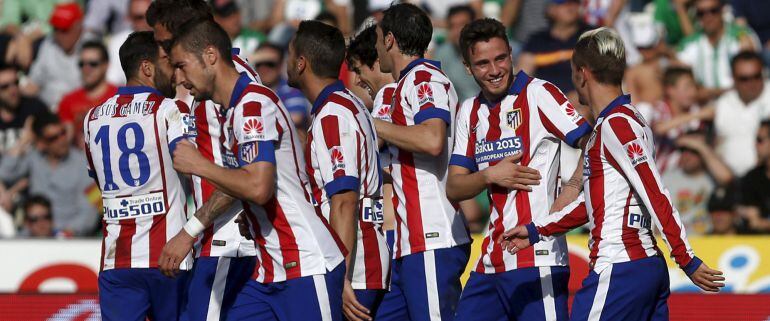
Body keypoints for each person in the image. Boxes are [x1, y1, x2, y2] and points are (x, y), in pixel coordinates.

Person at [501, 27, 725, 320]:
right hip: (644, 267)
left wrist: (687, 260)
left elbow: (654, 191)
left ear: (582, 73)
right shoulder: (628, 121)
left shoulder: (616, 125)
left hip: (620, 267)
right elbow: (601, 202)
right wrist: (537, 230)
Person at [167, 19, 345, 321]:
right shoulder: (233, 110)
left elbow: (258, 187)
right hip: (268, 269)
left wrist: (200, 165)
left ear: (210, 56)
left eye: (183, 66)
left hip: (304, 263)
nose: (180, 79)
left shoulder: (252, 105)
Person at [448, 18, 590, 321]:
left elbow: (595, 139)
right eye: (483, 63)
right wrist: (488, 175)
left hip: (539, 255)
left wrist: (572, 186)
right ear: (467, 67)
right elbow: (454, 187)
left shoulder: (540, 94)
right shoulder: (469, 111)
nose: (495, 70)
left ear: (511, 54)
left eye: (500, 58)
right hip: (491, 259)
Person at [146, 1, 260, 320]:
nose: (163, 54)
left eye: (165, 44)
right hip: (213, 242)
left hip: (229, 243)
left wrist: (188, 231)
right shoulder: (203, 83)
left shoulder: (234, 86)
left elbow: (248, 173)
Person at [372, 4, 471, 320]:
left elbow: (432, 139)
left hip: (430, 237)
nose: (376, 50)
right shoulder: (407, 83)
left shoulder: (423, 78)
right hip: (408, 242)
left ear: (389, 40)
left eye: (377, 41)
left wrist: (370, 123)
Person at [84, 31, 191, 320]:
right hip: (169, 256)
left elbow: (98, 180)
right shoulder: (170, 110)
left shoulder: (92, 118)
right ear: (147, 67)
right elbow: (192, 167)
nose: (175, 73)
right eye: (168, 62)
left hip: (117, 261)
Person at [288, 20, 390, 321]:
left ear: (302, 63)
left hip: (354, 270)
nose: (287, 62)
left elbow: (344, 201)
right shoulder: (344, 104)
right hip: (358, 261)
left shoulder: (333, 114)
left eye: (290, 54)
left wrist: (339, 277)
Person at [0, 112, 98, 236]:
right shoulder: (34, 159)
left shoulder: (84, 164)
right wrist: (24, 140)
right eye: (53, 138)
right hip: (33, 234)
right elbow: (4, 173)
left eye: (63, 133)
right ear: (42, 143)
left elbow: (92, 209)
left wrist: (67, 232)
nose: (61, 140)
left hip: (70, 236)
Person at [346, 24, 398, 247]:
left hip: (395, 227)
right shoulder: (403, 92)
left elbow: (370, 145)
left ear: (376, 62)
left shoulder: (389, 93)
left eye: (358, 70)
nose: (357, 80)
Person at [677, 0, 758, 102]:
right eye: (701, 13)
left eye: (713, 11)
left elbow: (749, 84)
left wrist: (711, 93)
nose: (708, 17)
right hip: (703, 107)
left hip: (740, 104)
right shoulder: (690, 44)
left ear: (722, 11)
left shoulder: (740, 37)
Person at [662, 132, 733, 235]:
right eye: (683, 150)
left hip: (707, 242)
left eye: (693, 151)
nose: (687, 155)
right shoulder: (667, 179)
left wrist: (700, 146)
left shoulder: (712, 177)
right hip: (678, 244)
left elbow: (727, 177)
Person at [712, 51, 770, 177]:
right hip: (731, 183)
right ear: (733, 79)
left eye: (757, 76)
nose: (752, 83)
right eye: (744, 79)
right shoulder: (724, 103)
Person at [519, 0, 589, 98]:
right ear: (550, 9)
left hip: (581, 102)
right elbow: (521, 79)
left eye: (575, 2)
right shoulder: (536, 41)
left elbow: (601, 76)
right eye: (564, 4)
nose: (571, 7)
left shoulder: (590, 37)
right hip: (544, 101)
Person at [25, 2, 85, 110]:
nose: (58, 35)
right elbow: (33, 83)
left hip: (78, 110)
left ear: (78, 27)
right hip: (46, 110)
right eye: (55, 29)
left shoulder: (89, 48)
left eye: (64, 30)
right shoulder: (49, 44)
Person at [58, 40, 118, 148]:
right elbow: (66, 141)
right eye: (82, 64)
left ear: (106, 65)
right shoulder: (68, 101)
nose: (86, 69)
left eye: (93, 64)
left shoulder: (120, 97)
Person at [253, 42, 310, 139]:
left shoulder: (292, 89)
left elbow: (296, 118)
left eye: (270, 64)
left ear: (280, 66)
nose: (264, 68)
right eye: (259, 63)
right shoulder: (251, 92)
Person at [432, 5, 479, 102]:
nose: (458, 31)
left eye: (463, 24)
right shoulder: (442, 54)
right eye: (453, 26)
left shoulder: (491, 49)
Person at [0, 64, 48, 154]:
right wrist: (22, 143)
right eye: (5, 87)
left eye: (15, 83)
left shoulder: (35, 108)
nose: (12, 90)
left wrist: (38, 138)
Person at [105, 0, 153, 86]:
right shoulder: (117, 43)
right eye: (139, 17)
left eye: (149, 15)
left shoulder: (166, 39)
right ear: (129, 18)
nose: (146, 21)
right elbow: (113, 82)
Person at [738, 120, 770, 234]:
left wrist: (764, 223)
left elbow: (759, 222)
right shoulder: (752, 178)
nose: (755, 145)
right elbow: (754, 222)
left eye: (760, 140)